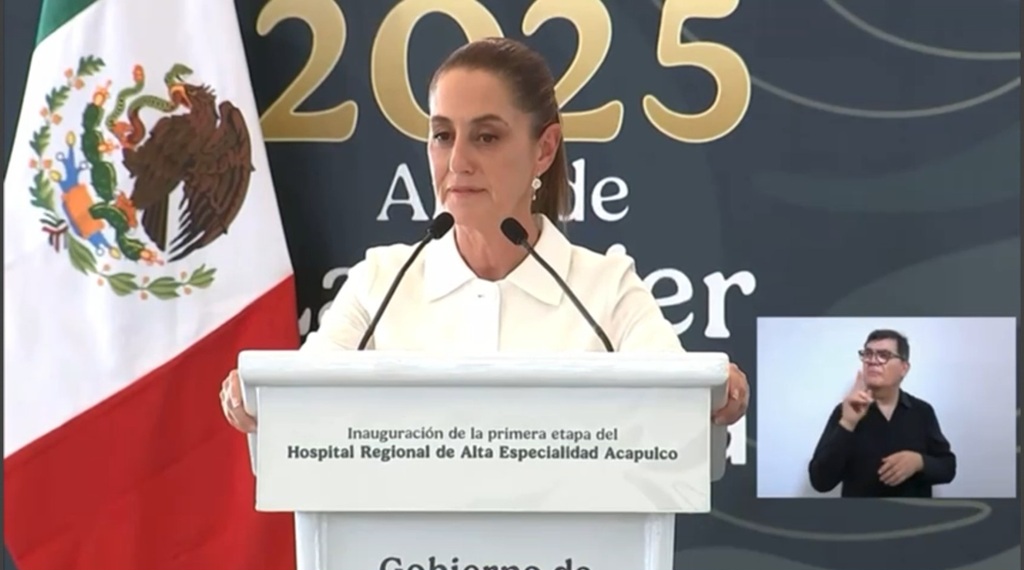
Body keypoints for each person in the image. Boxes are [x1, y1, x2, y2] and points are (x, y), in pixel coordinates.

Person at [219, 37, 748, 432]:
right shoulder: (380, 281)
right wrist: (257, 394)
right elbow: (299, 392)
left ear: (544, 149)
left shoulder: (605, 288)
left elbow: (684, 391)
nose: (458, 162)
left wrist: (716, 388)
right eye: (442, 135)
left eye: (486, 137)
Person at [807, 329, 956, 498]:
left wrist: (919, 462)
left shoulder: (922, 412)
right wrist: (847, 424)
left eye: (883, 355)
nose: (872, 361)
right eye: (868, 354)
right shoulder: (846, 411)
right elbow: (820, 482)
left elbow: (948, 468)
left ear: (904, 368)